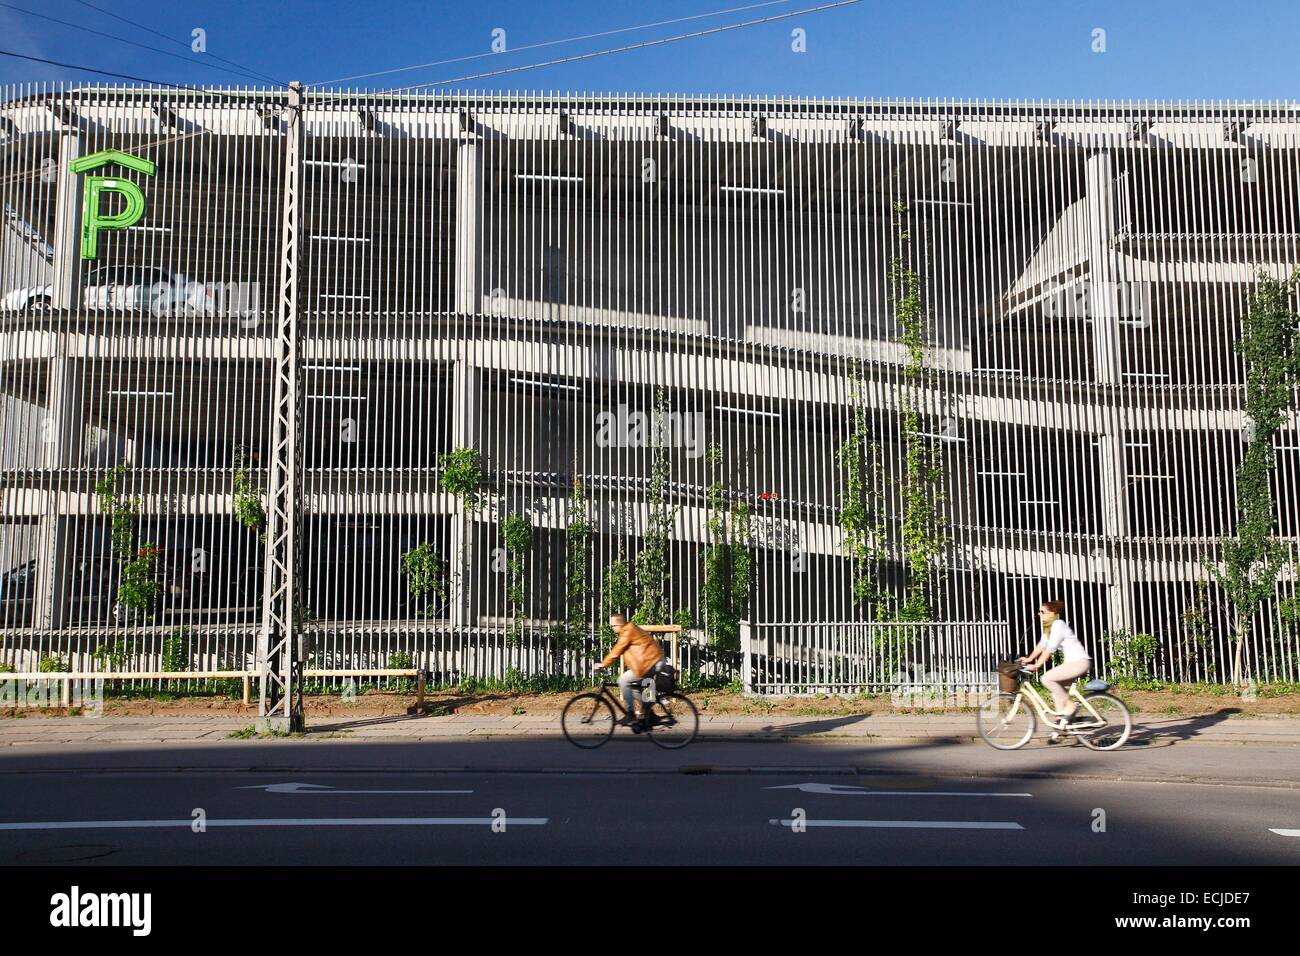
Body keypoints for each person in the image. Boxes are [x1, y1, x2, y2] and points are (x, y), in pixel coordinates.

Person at [1018, 599, 1091, 726]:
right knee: (1057, 691)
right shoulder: (1049, 627)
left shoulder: (1058, 625)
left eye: (1042, 611)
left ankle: (1070, 706)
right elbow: (1042, 645)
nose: (1039, 614)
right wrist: (1029, 659)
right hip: (1073, 663)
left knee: (1046, 679)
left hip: (1079, 662)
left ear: (1052, 613)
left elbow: (1050, 648)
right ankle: (1061, 727)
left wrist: (1037, 665)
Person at [593, 612, 664, 729]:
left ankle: (630, 713)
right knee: (635, 688)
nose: (612, 628)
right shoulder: (628, 629)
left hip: (651, 663)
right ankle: (649, 715)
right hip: (651, 662)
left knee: (623, 680)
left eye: (613, 626)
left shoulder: (628, 630)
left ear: (620, 624)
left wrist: (603, 664)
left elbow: (617, 650)